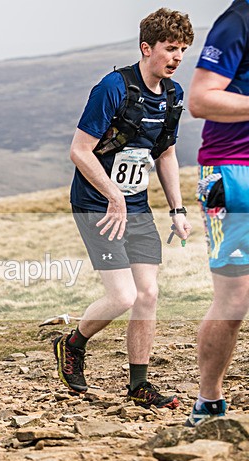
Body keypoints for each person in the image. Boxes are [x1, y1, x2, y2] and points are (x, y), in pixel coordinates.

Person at [53, 8, 194, 408]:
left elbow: (165, 153)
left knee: (148, 293)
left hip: (136, 205)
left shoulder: (172, 95)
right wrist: (113, 195)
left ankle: (139, 385)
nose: (177, 57)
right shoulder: (113, 88)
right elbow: (79, 151)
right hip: (97, 202)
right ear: (147, 47)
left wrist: (178, 211)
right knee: (124, 297)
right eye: (170, 48)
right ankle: (72, 343)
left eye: (182, 49)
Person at [186, 0, 249, 426]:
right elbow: (200, 99)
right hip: (233, 170)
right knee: (235, 299)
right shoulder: (239, 20)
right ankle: (209, 401)